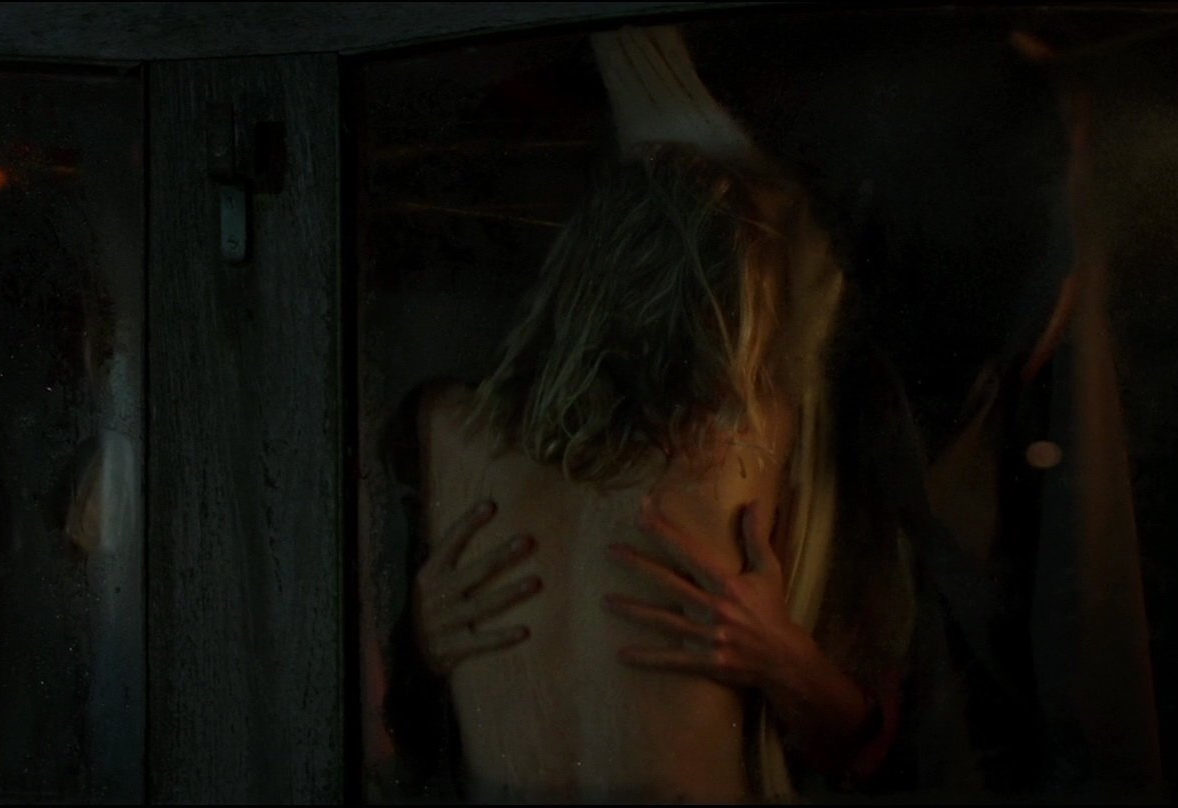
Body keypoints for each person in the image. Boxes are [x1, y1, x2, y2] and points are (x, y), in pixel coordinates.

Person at [381, 129, 915, 800]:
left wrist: (782, 657)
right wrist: (415, 647)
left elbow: (863, 748)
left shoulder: (443, 428)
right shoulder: (759, 437)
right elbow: (867, 751)